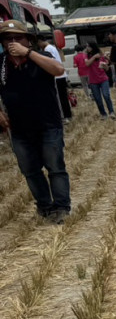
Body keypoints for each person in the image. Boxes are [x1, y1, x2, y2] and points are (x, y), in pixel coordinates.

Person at [0, 20, 70, 224]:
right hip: (19, 127)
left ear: (28, 40)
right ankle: (45, 206)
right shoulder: (2, 63)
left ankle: (62, 207)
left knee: (55, 166)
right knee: (30, 170)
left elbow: (58, 70)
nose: (13, 42)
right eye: (8, 39)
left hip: (48, 123)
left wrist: (28, 53)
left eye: (18, 38)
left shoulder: (42, 57)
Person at [36, 30, 72, 123]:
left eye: (38, 43)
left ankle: (64, 117)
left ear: (40, 41)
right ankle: (67, 115)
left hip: (57, 77)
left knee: (60, 98)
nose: (39, 46)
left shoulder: (48, 49)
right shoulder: (52, 47)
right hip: (61, 76)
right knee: (63, 97)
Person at [83, 43, 115, 120]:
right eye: (87, 46)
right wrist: (94, 57)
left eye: (88, 46)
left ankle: (111, 112)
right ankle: (103, 114)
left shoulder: (101, 55)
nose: (87, 47)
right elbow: (87, 64)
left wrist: (105, 66)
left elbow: (107, 69)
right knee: (98, 98)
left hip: (103, 79)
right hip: (93, 81)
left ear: (93, 47)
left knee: (106, 95)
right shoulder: (86, 55)